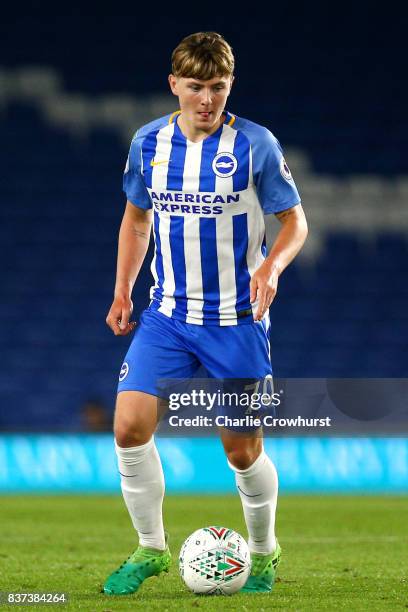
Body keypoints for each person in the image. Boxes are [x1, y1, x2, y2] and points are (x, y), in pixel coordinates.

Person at [103, 31, 308, 596]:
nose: (206, 100)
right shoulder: (147, 144)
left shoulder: (256, 145)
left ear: (230, 86)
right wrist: (123, 291)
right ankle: (150, 550)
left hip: (236, 322)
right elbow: (137, 221)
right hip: (167, 317)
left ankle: (264, 554)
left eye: (217, 87)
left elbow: (295, 223)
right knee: (128, 428)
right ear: (174, 84)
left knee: (241, 449)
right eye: (195, 87)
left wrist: (270, 269)